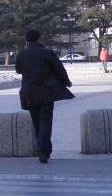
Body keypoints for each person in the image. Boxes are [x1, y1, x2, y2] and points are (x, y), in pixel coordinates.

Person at [15, 29, 75, 164]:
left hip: (29, 92)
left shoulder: (22, 55)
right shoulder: (47, 53)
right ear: (39, 39)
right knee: (45, 121)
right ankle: (42, 147)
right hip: (46, 92)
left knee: (37, 122)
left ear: (26, 41)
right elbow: (59, 69)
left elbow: (18, 70)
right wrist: (67, 83)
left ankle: (44, 150)